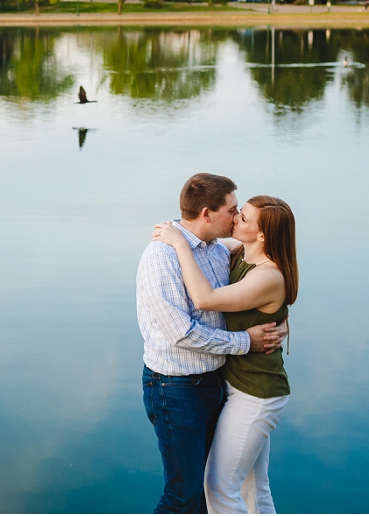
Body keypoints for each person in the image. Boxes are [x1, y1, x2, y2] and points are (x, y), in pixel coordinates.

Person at [137, 173, 286, 514]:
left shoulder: (219, 251)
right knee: (183, 495)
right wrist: (245, 341)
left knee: (210, 493)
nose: (236, 217)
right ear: (207, 213)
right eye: (233, 210)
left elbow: (263, 271)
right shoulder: (162, 256)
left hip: (217, 384)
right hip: (175, 389)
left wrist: (280, 316)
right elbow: (182, 332)